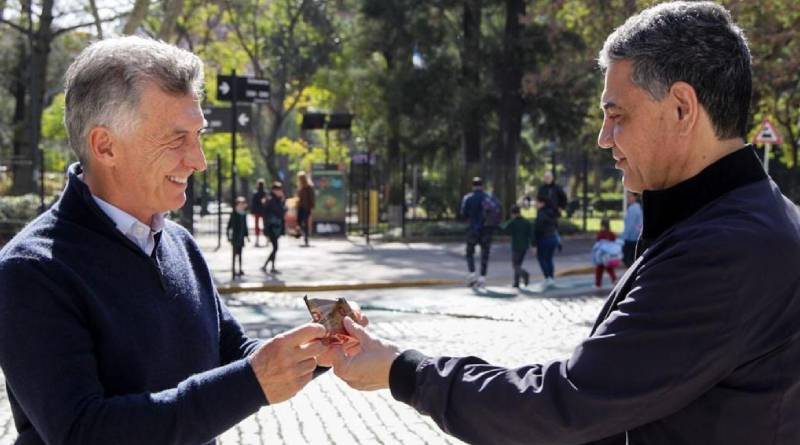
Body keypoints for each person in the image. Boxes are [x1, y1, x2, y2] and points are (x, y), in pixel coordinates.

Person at [327, 3, 800, 444]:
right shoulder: (749, 220)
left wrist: (402, 371)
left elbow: (567, 404)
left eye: (617, 115)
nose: (603, 138)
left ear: (681, 107)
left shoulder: (724, 250)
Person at [0, 36, 333, 445]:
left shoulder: (179, 243)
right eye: (177, 139)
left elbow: (234, 352)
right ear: (105, 145)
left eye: (199, 135)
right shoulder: (31, 271)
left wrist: (317, 349)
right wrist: (252, 382)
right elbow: (83, 432)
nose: (198, 160)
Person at [459, 177, 497, 288]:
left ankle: (472, 274)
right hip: (486, 230)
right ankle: (482, 277)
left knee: (469, 253)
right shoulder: (488, 197)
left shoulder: (468, 198)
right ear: (482, 186)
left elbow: (463, 214)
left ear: (473, 186)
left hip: (473, 229)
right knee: (485, 254)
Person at [498, 204, 534, 288]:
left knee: (515, 265)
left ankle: (524, 274)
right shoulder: (526, 222)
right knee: (518, 264)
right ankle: (516, 282)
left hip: (516, 246)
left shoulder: (512, 222)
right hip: (524, 246)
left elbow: (503, 228)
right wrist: (532, 245)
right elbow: (531, 235)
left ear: (513, 213)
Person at [532, 196, 559, 287]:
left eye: (537, 202)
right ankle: (551, 278)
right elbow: (556, 226)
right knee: (549, 259)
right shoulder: (551, 213)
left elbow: (537, 230)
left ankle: (547, 278)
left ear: (542, 203)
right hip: (553, 238)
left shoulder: (541, 214)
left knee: (541, 258)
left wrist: (534, 244)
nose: (535, 204)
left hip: (544, 239)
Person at [261, 181, 286, 274]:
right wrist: (282, 202)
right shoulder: (272, 200)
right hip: (272, 227)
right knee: (275, 247)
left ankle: (268, 266)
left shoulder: (274, 199)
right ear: (274, 190)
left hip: (275, 227)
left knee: (275, 248)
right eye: (279, 190)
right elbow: (280, 212)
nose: (280, 192)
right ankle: (269, 266)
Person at [592, 218, 621, 288]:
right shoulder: (611, 233)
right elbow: (614, 241)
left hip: (601, 255)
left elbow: (597, 243)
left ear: (601, 225)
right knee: (609, 268)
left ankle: (598, 284)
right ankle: (614, 280)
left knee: (599, 269)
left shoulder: (600, 234)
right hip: (609, 256)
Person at [227, 196, 250, 276]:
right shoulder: (234, 214)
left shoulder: (244, 214)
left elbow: (245, 226)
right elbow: (229, 226)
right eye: (241, 204)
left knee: (240, 254)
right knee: (234, 254)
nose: (242, 205)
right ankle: (233, 270)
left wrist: (247, 236)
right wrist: (228, 236)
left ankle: (240, 269)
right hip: (235, 237)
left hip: (241, 237)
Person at [621, 191, 642, 266]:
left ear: (635, 197)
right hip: (635, 238)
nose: (628, 198)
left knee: (628, 261)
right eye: (627, 197)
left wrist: (622, 237)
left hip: (630, 239)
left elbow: (629, 226)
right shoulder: (637, 208)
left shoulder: (633, 209)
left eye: (629, 196)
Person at [296, 171, 315, 247]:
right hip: (300, 206)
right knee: (299, 221)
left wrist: (311, 206)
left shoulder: (309, 187)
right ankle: (302, 233)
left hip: (306, 207)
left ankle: (306, 237)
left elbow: (312, 197)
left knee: (305, 222)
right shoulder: (300, 187)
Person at [250, 179, 266, 246]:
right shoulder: (265, 193)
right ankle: (267, 239)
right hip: (263, 211)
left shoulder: (255, 193)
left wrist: (252, 211)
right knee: (265, 225)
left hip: (257, 211)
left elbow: (253, 204)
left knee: (257, 226)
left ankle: (257, 240)